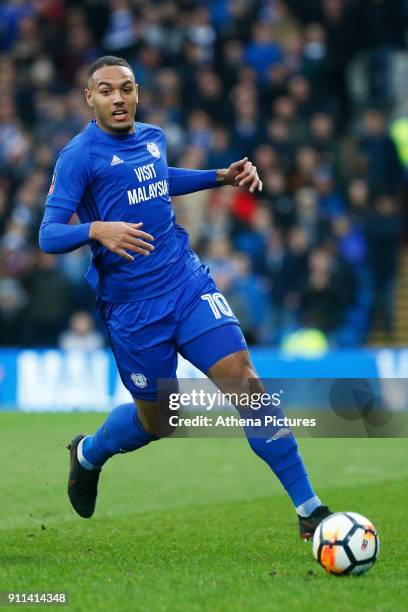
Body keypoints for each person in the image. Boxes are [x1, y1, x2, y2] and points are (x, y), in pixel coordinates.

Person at [39, 56, 332, 539]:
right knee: (160, 422)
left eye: (127, 89)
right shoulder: (77, 157)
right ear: (89, 98)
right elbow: (48, 234)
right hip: (133, 310)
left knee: (247, 384)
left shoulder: (152, 136)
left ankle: (309, 509)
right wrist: (96, 229)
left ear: (137, 92)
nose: (119, 99)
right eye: (107, 91)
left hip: (187, 284)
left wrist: (219, 176)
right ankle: (89, 452)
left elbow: (157, 177)